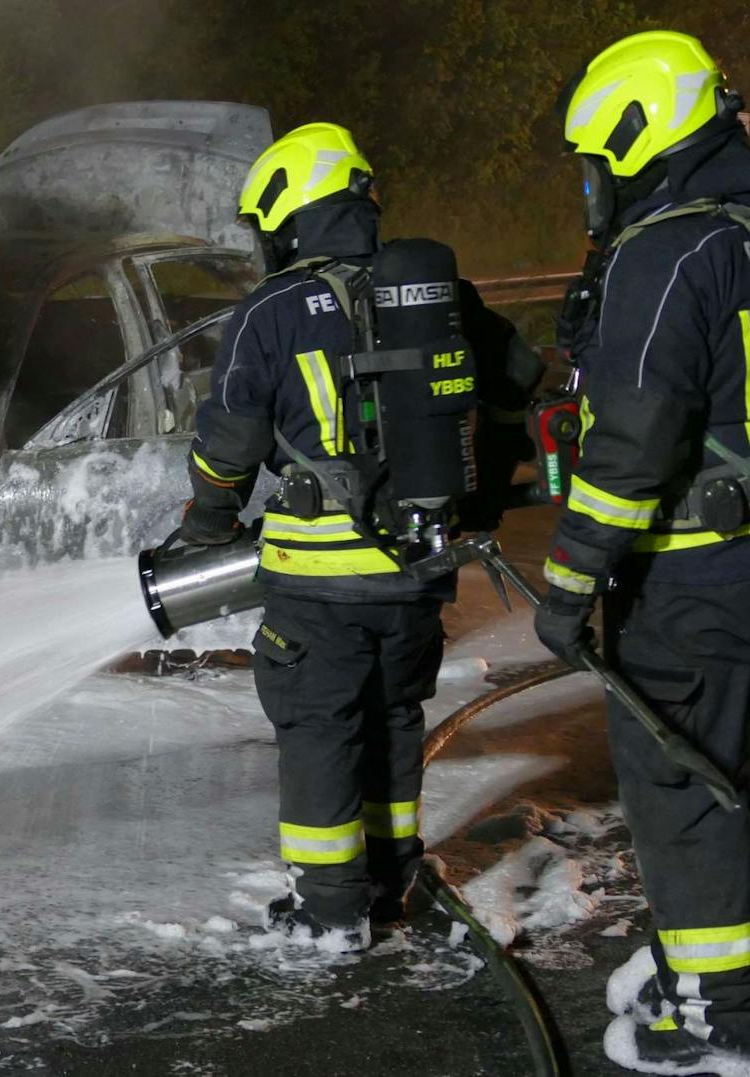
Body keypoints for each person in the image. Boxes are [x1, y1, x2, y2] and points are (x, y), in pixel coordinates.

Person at [540, 29, 750, 1076]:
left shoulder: (666, 247)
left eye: (597, 160)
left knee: (684, 796)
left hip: (695, 575)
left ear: (637, 133)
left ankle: (730, 1029)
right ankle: (688, 967)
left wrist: (568, 578)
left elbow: (630, 439)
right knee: (715, 772)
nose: (592, 184)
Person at [179, 123, 541, 951]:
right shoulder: (433, 290)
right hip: (415, 572)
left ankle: (331, 912)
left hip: (315, 584)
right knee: (393, 717)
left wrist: (205, 523)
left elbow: (228, 444)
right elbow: (520, 375)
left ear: (292, 216)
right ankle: (389, 884)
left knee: (320, 729)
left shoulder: (268, 311)